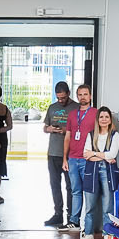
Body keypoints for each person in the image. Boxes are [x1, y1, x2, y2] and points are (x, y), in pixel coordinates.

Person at [80, 104, 119, 239]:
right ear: (97, 119)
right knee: (90, 206)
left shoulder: (114, 135)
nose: (104, 119)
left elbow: (112, 154)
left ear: (110, 120)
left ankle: (107, 233)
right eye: (101, 117)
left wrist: (94, 154)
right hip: (92, 172)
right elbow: (86, 154)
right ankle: (88, 233)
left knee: (108, 206)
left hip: (108, 172)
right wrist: (104, 156)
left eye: (106, 117)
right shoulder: (91, 134)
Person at [41, 82, 73, 228]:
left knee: (71, 187)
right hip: (53, 153)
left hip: (70, 154)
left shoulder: (76, 108)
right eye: (58, 98)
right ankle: (58, 214)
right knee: (55, 185)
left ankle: (71, 216)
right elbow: (44, 127)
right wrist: (49, 129)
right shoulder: (52, 108)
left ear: (68, 94)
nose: (61, 100)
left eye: (63, 98)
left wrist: (66, 131)